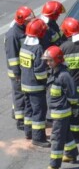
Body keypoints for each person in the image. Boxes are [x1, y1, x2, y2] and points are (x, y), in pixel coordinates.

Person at [43, 46, 79, 169]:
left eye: (50, 60)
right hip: (55, 111)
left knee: (57, 138)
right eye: (47, 60)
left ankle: (54, 165)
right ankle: (71, 154)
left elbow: (73, 95)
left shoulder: (64, 75)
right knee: (66, 133)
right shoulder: (54, 72)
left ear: (58, 60)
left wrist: (74, 107)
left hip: (61, 112)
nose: (48, 63)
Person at [19, 18, 50, 147]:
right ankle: (38, 138)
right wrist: (46, 80)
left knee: (29, 110)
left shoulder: (24, 46)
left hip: (25, 84)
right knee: (39, 111)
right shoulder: (38, 49)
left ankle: (29, 132)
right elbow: (39, 71)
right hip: (36, 87)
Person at [4, 6, 35, 131]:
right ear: (22, 20)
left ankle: (16, 112)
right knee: (20, 95)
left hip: (23, 69)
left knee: (21, 95)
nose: (31, 22)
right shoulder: (13, 35)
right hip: (17, 72)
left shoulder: (23, 30)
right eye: (29, 20)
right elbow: (12, 56)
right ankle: (20, 120)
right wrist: (17, 73)